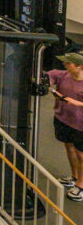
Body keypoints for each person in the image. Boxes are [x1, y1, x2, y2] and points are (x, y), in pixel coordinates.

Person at [47, 52, 83, 201]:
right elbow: (51, 74)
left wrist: (74, 102)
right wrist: (47, 82)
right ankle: (74, 177)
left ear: (79, 66)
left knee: (81, 155)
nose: (64, 65)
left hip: (80, 125)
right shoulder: (64, 75)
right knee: (68, 147)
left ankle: (81, 186)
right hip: (64, 119)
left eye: (68, 63)